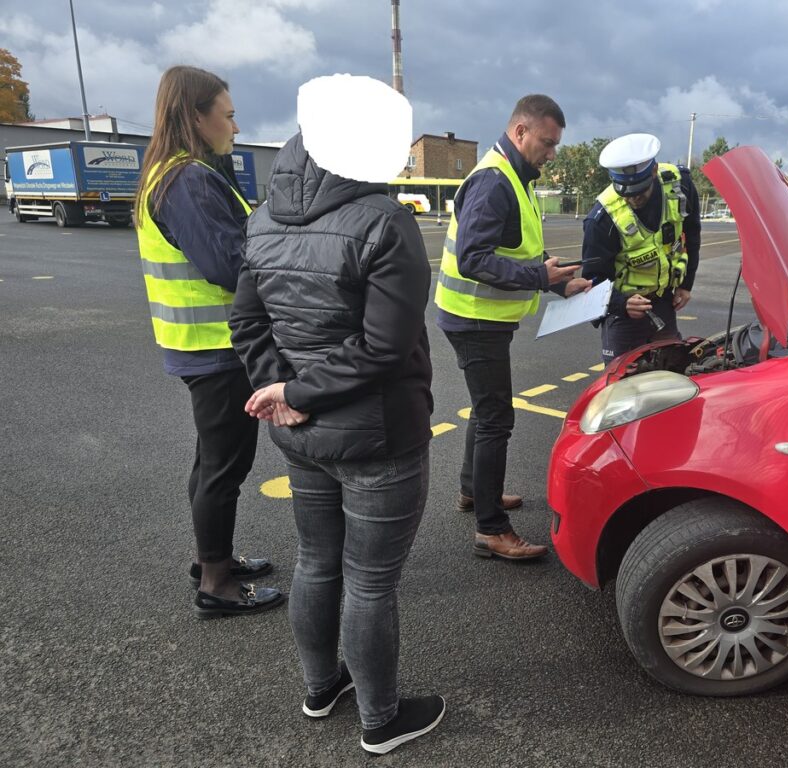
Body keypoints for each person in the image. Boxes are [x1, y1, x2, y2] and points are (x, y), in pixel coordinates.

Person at [229, 73, 443, 755]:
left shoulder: (260, 220)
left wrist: (281, 393)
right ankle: (381, 720)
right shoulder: (385, 222)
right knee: (370, 582)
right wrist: (294, 394)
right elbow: (384, 345)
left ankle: (322, 686)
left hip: (301, 436)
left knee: (318, 562)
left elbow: (247, 324)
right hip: (376, 436)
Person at [134, 65, 282, 619]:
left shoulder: (175, 173)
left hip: (203, 345)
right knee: (225, 466)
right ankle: (217, 585)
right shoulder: (189, 180)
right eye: (229, 114)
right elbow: (228, 263)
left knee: (211, 461)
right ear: (196, 116)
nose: (236, 127)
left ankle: (210, 558)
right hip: (219, 348)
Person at [434, 94, 590, 561]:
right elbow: (475, 259)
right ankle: (490, 528)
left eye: (556, 144)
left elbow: (514, 250)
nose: (551, 153)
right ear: (520, 132)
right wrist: (540, 277)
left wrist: (556, 284)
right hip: (473, 319)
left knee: (486, 413)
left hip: (481, 318)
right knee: (497, 418)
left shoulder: (513, 176)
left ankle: (473, 492)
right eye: (546, 142)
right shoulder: (494, 182)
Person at [582, 133, 701, 362]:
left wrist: (686, 285)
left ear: (654, 171)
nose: (632, 200)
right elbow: (592, 281)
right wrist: (621, 303)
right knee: (622, 388)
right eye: (625, 194)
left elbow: (692, 234)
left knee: (672, 376)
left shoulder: (680, 185)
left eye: (638, 193)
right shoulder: (602, 219)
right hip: (623, 314)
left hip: (664, 302)